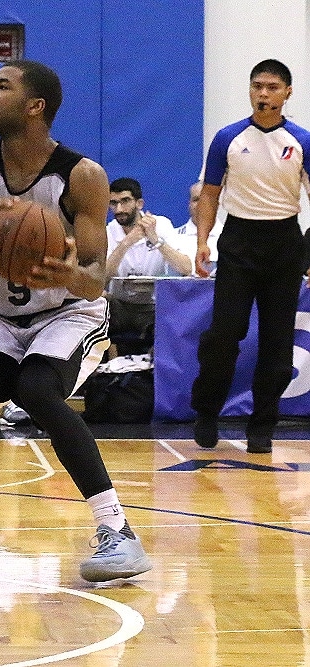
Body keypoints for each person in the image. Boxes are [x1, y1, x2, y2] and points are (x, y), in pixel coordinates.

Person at [0, 60, 152, 583]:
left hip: (69, 312)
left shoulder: (81, 176)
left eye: (2, 86)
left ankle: (118, 532)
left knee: (39, 391)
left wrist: (67, 272)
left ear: (36, 106)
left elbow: (94, 282)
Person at [191, 59, 310, 455]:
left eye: (272, 87)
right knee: (224, 336)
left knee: (277, 343)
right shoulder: (228, 137)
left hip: (284, 243)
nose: (263, 94)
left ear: (287, 93)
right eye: (257, 86)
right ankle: (207, 413)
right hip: (239, 241)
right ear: (250, 90)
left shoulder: (302, 141)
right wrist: (203, 241)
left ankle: (262, 425)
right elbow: (209, 194)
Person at [104, 177, 191, 355]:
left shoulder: (161, 225)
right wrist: (126, 243)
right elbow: (102, 277)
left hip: (151, 305)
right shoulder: (108, 231)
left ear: (139, 203)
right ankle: (106, 369)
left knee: (176, 314)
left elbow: (186, 268)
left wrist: (155, 240)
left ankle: (154, 371)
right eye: (113, 203)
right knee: (96, 305)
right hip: (119, 304)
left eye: (125, 201)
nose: (119, 209)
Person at [169, 181, 224, 276]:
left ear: (217, 204)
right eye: (196, 200)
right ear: (189, 204)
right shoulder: (173, 236)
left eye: (205, 200)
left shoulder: (230, 237)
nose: (201, 205)